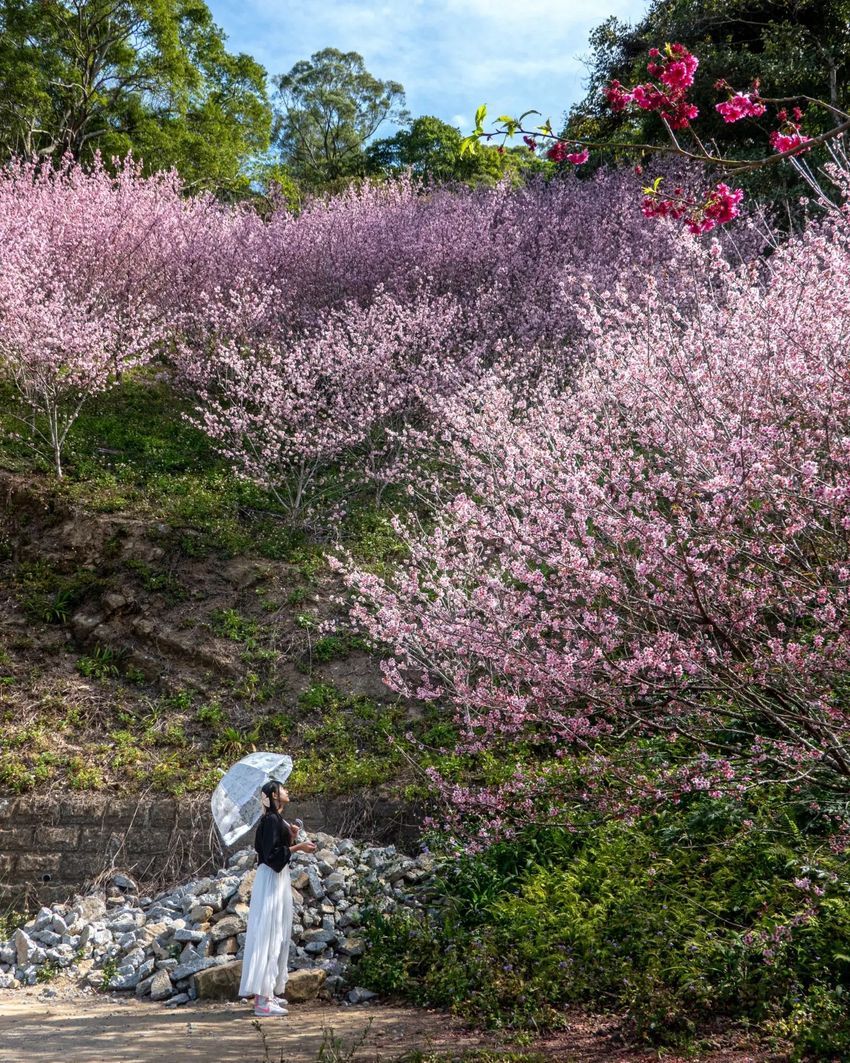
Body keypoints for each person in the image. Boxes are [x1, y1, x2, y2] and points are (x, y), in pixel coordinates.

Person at [238, 780, 316, 1016]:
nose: (287, 791)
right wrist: (298, 847)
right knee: (268, 933)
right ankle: (262, 1001)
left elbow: (276, 850)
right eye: (283, 789)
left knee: (277, 933)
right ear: (274, 794)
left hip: (276, 877)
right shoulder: (271, 820)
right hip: (272, 877)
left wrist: (290, 838)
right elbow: (272, 856)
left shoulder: (274, 820)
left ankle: (268, 992)